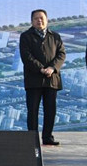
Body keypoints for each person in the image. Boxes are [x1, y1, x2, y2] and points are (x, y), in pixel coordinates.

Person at [19, 9, 65, 146]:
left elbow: (61, 54)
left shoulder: (55, 36)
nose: (39, 20)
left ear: (47, 20)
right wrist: (41, 68)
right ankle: (32, 139)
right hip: (34, 79)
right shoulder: (26, 36)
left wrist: (52, 68)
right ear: (31, 21)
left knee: (50, 110)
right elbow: (26, 56)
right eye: (36, 18)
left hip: (52, 79)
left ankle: (47, 137)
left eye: (41, 18)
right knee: (33, 110)